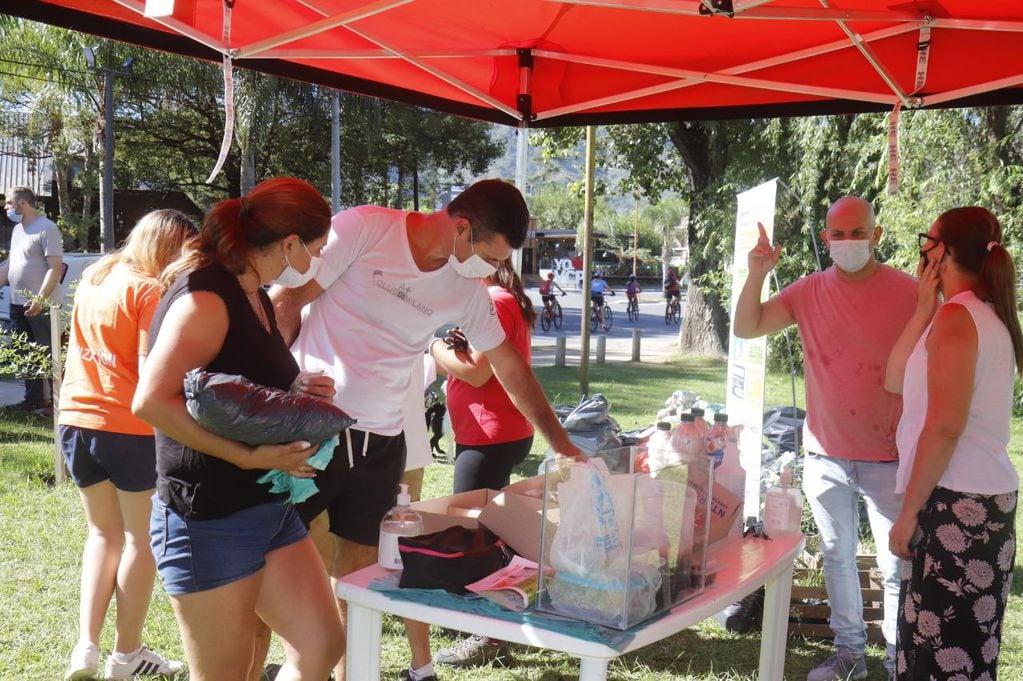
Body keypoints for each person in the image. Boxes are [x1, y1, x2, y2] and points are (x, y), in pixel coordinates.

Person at [271, 178, 583, 681]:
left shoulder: (466, 288)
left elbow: (508, 364)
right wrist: (279, 386)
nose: (490, 269)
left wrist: (559, 440)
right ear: (461, 227)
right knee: (275, 565)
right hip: (314, 429)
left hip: (381, 443)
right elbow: (286, 299)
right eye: (489, 255)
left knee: (361, 581)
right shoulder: (366, 228)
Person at [132, 177, 344, 681]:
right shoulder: (206, 297)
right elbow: (149, 401)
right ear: (289, 243)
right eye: (317, 247)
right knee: (228, 671)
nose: (319, 257)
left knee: (321, 644)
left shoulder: (256, 294)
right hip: (207, 517)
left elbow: (235, 380)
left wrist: (295, 386)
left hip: (267, 507)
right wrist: (246, 456)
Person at [733, 196, 917, 681]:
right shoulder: (808, 290)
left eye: (859, 232)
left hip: (890, 455)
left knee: (896, 563)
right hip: (826, 454)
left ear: (877, 236)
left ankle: (899, 659)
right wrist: (757, 273)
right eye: (840, 234)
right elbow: (747, 326)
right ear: (825, 240)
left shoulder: (912, 292)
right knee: (836, 557)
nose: (849, 242)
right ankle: (849, 657)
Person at [885, 207, 1020, 680]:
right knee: (952, 649)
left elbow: (944, 427)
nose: (922, 250)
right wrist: (924, 307)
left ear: (940, 251)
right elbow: (895, 379)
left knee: (939, 655)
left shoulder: (960, 318)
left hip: (957, 506)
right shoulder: (964, 315)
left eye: (928, 240)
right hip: (972, 503)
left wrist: (907, 515)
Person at [59, 210, 195, 681]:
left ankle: (86, 648)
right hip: (127, 427)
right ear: (169, 247)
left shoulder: (97, 275)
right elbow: (148, 371)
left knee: (102, 534)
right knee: (141, 540)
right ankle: (126, 655)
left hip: (76, 420)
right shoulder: (149, 290)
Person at [425, 259, 536, 667]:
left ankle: (487, 635)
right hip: (492, 432)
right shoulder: (500, 298)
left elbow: (474, 373)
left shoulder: (493, 299)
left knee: (476, 536)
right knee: (483, 531)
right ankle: (482, 624)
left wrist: (432, 343)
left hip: (492, 435)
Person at [0, 185, 63, 413]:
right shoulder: (18, 230)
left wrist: (39, 299)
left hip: (41, 305)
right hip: (17, 303)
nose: (6, 208)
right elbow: (10, 265)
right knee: (24, 352)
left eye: (8, 203)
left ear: (22, 204)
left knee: (47, 352)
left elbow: (54, 268)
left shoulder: (47, 228)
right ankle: (34, 399)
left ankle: (58, 404)